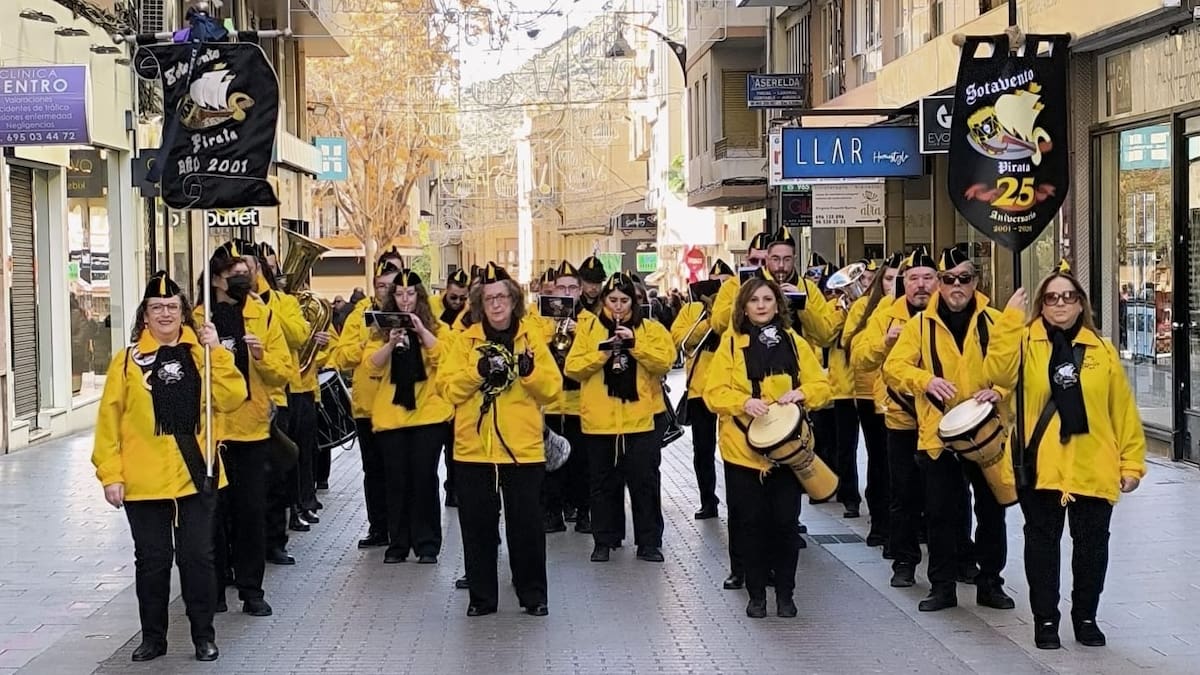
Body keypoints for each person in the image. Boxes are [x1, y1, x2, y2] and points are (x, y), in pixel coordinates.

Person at [984, 260, 1146, 650]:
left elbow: (1121, 409)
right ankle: (1045, 620)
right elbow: (998, 374)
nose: (1060, 304)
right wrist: (1009, 323)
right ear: (1041, 303)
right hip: (1041, 466)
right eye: (1052, 297)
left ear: (1080, 303)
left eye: (1068, 297)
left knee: (1092, 549)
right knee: (1042, 547)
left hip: (1093, 465)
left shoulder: (1101, 350)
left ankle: (1086, 616)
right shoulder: (1024, 341)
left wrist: (1131, 463)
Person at [92, 272, 247, 662]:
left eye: (172, 307)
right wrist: (111, 475)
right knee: (152, 562)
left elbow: (233, 398)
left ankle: (203, 636)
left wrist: (216, 352)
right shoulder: (126, 362)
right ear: (145, 314)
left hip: (195, 476)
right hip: (143, 481)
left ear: (183, 313)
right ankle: (153, 638)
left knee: (198, 559)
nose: (165, 313)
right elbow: (108, 424)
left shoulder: (201, 355)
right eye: (157, 307)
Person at [883, 246, 1015, 613]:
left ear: (976, 281)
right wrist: (925, 380)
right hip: (938, 435)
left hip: (986, 433)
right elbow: (893, 368)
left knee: (992, 511)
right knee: (940, 512)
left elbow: (1016, 367)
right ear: (940, 283)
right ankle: (942, 587)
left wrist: (999, 391)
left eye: (964, 279)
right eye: (949, 279)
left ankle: (990, 582)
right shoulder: (919, 325)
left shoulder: (995, 322)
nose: (957, 286)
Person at [702, 273, 832, 618]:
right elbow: (714, 393)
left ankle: (786, 594)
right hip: (743, 452)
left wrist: (802, 393)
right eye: (754, 300)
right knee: (751, 525)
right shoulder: (731, 344)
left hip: (786, 451)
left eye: (768, 300)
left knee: (786, 525)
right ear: (743, 307)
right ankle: (756, 594)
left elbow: (822, 385)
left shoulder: (794, 341)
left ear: (778, 305)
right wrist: (743, 402)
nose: (761, 306)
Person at [437, 262, 561, 617]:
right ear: (480, 303)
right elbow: (447, 389)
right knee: (477, 528)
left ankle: (533, 596)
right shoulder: (465, 341)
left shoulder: (531, 338)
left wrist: (530, 374)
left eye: (502, 297)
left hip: (522, 451)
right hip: (475, 451)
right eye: (489, 298)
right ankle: (482, 598)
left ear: (513, 300)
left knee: (527, 528)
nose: (496, 304)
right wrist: (476, 372)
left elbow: (551, 389)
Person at [195, 242, 292, 617]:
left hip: (251, 431)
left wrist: (261, 357)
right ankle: (216, 588)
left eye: (245, 273)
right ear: (216, 279)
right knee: (214, 517)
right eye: (233, 274)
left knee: (250, 514)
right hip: (212, 434)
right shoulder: (197, 320)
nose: (242, 279)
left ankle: (252, 590)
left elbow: (283, 372)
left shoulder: (262, 315)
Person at [565, 272, 675, 564]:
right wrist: (602, 354)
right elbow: (572, 368)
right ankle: (604, 540)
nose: (618, 306)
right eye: (612, 299)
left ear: (633, 302)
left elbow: (665, 362)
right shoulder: (589, 329)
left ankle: (649, 542)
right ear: (604, 300)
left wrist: (635, 345)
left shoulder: (650, 329)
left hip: (641, 419)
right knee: (602, 484)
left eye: (624, 300)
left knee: (644, 482)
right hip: (600, 420)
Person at [853, 247, 934, 585]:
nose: (921, 285)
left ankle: (953, 561)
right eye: (913, 278)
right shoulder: (886, 313)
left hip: (940, 418)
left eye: (928, 277)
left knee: (948, 496)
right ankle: (904, 560)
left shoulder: (945, 314)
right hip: (901, 416)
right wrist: (884, 342)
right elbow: (859, 358)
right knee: (902, 491)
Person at [367, 269, 452, 564]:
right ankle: (399, 543)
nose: (405, 300)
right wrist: (390, 344)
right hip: (391, 417)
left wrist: (422, 332)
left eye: (411, 294)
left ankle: (427, 544)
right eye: (400, 294)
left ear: (420, 296)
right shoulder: (380, 327)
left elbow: (446, 358)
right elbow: (371, 366)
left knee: (424, 478)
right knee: (396, 481)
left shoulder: (438, 327)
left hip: (428, 415)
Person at [330, 256, 403, 549]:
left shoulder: (408, 312)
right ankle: (378, 527)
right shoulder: (359, 313)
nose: (385, 290)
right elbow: (341, 356)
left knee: (399, 471)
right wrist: (367, 345)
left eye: (390, 286)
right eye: (381, 285)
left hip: (399, 404)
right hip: (367, 406)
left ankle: (401, 530)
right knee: (373, 471)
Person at [844, 253, 903, 548]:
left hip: (902, 396)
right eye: (890, 279)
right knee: (879, 461)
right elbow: (851, 347)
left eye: (899, 279)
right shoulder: (865, 307)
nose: (894, 284)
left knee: (901, 466)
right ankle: (880, 523)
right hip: (870, 395)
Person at [671, 259, 733, 522]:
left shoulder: (739, 307)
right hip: (700, 389)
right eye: (715, 283)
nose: (719, 288)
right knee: (703, 450)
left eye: (725, 283)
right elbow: (679, 339)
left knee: (734, 448)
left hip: (732, 388)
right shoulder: (692, 309)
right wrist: (708, 320)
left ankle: (738, 500)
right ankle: (708, 500)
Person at [541, 260, 592, 534]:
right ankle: (552, 514)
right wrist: (553, 328)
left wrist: (578, 331)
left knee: (582, 462)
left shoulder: (589, 320)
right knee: (550, 463)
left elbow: (596, 352)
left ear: (580, 290)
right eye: (562, 287)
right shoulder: (540, 317)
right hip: (550, 404)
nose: (567, 292)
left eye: (572, 287)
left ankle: (584, 512)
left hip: (579, 403)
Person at [431, 268, 471, 507]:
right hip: (435, 387)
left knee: (456, 444)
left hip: (458, 386)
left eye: (462, 298)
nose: (457, 302)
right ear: (446, 290)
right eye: (453, 297)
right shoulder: (431, 307)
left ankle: (454, 488)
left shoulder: (469, 312)